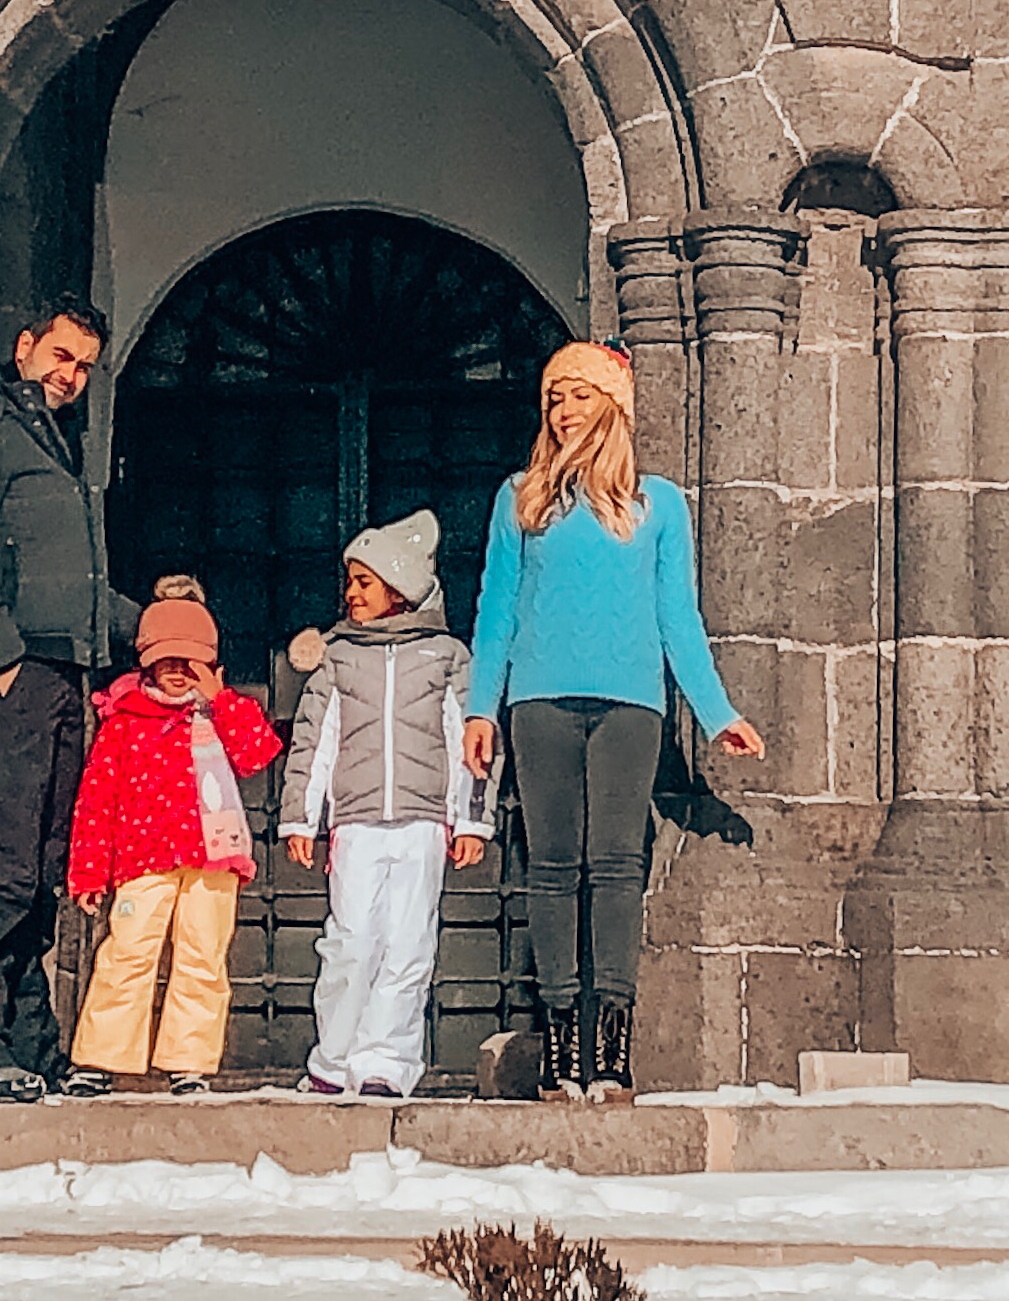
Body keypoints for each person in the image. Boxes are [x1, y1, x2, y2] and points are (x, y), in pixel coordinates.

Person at [461, 340, 765, 1101]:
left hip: (631, 705)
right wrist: (479, 707)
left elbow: (678, 617)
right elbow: (495, 610)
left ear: (614, 406)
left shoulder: (657, 504)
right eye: (554, 397)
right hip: (539, 700)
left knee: (617, 867)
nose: (563, 411)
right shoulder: (520, 497)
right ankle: (563, 1043)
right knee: (555, 867)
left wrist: (716, 709)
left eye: (578, 395)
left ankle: (612, 1047)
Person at [0, 296, 184, 1103]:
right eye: (61, 357)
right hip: (11, 679)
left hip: (63, 676)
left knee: (41, 873)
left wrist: (160, 627)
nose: (71, 376)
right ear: (25, 345)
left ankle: (29, 1041)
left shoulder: (60, 445)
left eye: (84, 367)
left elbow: (80, 589)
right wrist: (4, 660)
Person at [275, 510, 486, 1100]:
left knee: (408, 944)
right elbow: (315, 740)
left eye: (364, 582)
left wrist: (470, 817)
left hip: (423, 824)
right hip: (358, 822)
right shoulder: (340, 658)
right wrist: (302, 816)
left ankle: (386, 1062)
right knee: (350, 940)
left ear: (399, 588)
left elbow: (467, 741)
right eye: (350, 581)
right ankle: (334, 1057)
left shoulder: (446, 657)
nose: (351, 593)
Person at [61, 596, 285, 1097]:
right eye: (167, 662)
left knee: (202, 957)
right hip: (143, 860)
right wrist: (90, 871)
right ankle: (100, 1058)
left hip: (213, 859)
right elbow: (97, 798)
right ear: (147, 662)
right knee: (127, 955)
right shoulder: (123, 721)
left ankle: (190, 1061)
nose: (178, 673)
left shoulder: (223, 713)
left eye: (190, 663)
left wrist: (221, 700)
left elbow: (259, 754)